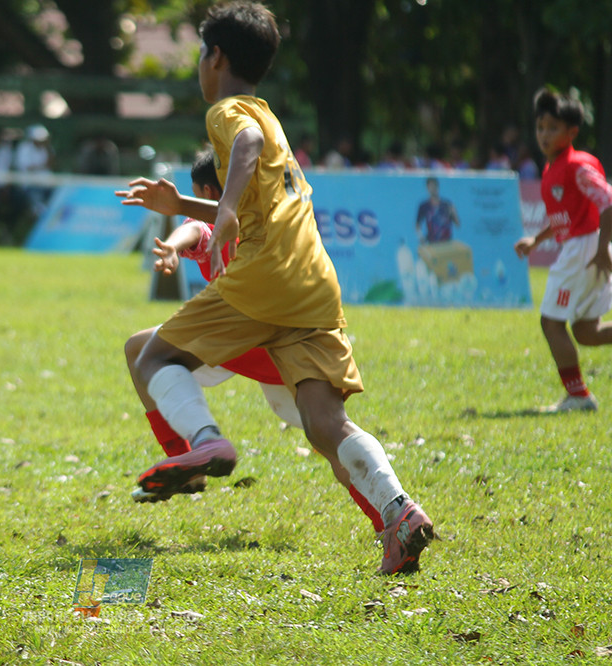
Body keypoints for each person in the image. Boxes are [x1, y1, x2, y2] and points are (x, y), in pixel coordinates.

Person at [115, 1, 433, 575]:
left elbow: (242, 150)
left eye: (200, 55)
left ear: (216, 56)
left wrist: (227, 208)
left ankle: (207, 442)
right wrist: (188, 205)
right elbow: (260, 179)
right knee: (324, 423)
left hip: (264, 277)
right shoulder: (268, 114)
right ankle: (399, 512)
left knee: (151, 353)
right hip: (313, 281)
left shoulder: (227, 110)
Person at [124, 149, 385, 533]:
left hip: (254, 345)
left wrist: (175, 243)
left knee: (145, 353)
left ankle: (188, 456)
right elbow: (195, 230)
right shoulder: (278, 217)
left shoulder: (238, 221)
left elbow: (198, 228)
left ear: (210, 192)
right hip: (273, 347)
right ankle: (389, 518)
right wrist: (176, 244)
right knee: (331, 438)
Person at [514, 88, 612, 412]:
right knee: (585, 331)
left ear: (571, 132)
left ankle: (579, 396)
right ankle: (578, 395)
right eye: (540, 126)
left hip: (583, 249)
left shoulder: (577, 166)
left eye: (552, 128)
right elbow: (563, 219)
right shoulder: (552, 168)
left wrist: (600, 249)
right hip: (582, 246)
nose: (544, 134)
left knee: (551, 323)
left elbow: (608, 201)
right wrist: (537, 241)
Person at [14, 124, 56, 219]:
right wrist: (42, 166)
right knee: (36, 202)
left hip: (47, 183)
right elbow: (27, 167)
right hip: (30, 184)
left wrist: (47, 149)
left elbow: (51, 164)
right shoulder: (24, 148)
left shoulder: (47, 148)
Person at [415, 177, 461, 243]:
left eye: (434, 186)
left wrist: (454, 213)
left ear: (438, 187)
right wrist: (421, 237)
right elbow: (417, 225)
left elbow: (457, 224)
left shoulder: (447, 204)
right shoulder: (424, 206)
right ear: (427, 188)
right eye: (430, 186)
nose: (433, 189)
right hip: (432, 242)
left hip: (447, 242)